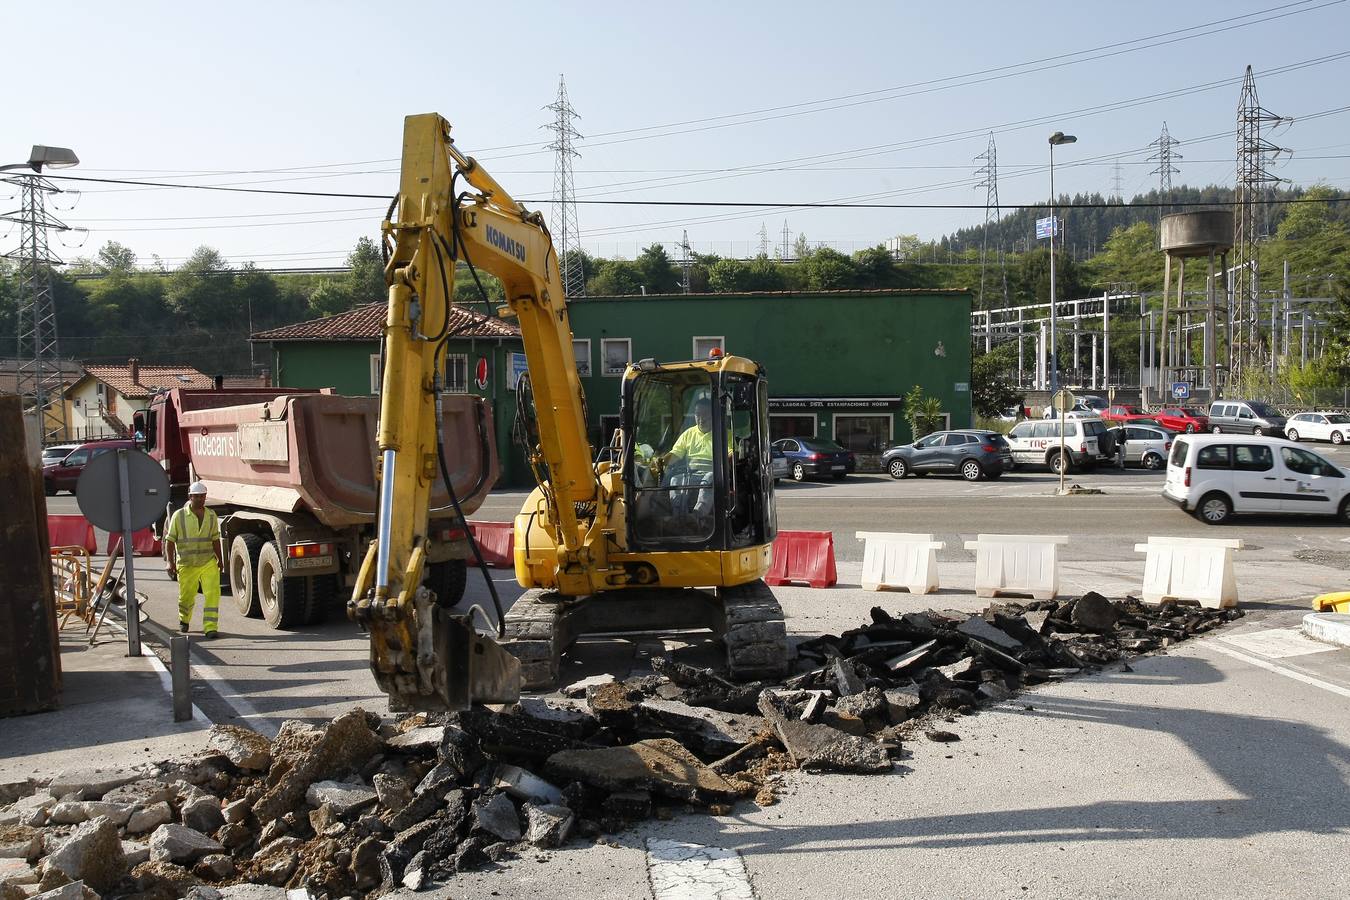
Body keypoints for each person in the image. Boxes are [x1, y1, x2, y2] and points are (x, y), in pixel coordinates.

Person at [166, 481, 223, 638]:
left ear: (205, 497)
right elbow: (169, 541)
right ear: (190, 497)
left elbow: (215, 539)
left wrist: (220, 559)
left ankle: (210, 627)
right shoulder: (179, 516)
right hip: (187, 563)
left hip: (207, 561)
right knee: (186, 596)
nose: (199, 499)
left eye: (202, 496)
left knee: (213, 593)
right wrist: (170, 561)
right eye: (196, 496)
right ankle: (184, 619)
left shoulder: (211, 515)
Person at [662, 398, 715, 515]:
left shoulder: (723, 434)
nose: (701, 419)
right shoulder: (688, 433)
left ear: (713, 415)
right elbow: (675, 454)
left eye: (705, 414)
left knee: (709, 479)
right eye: (698, 414)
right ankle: (680, 516)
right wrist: (661, 462)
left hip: (714, 473)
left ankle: (698, 515)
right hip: (691, 474)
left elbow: (730, 456)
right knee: (675, 479)